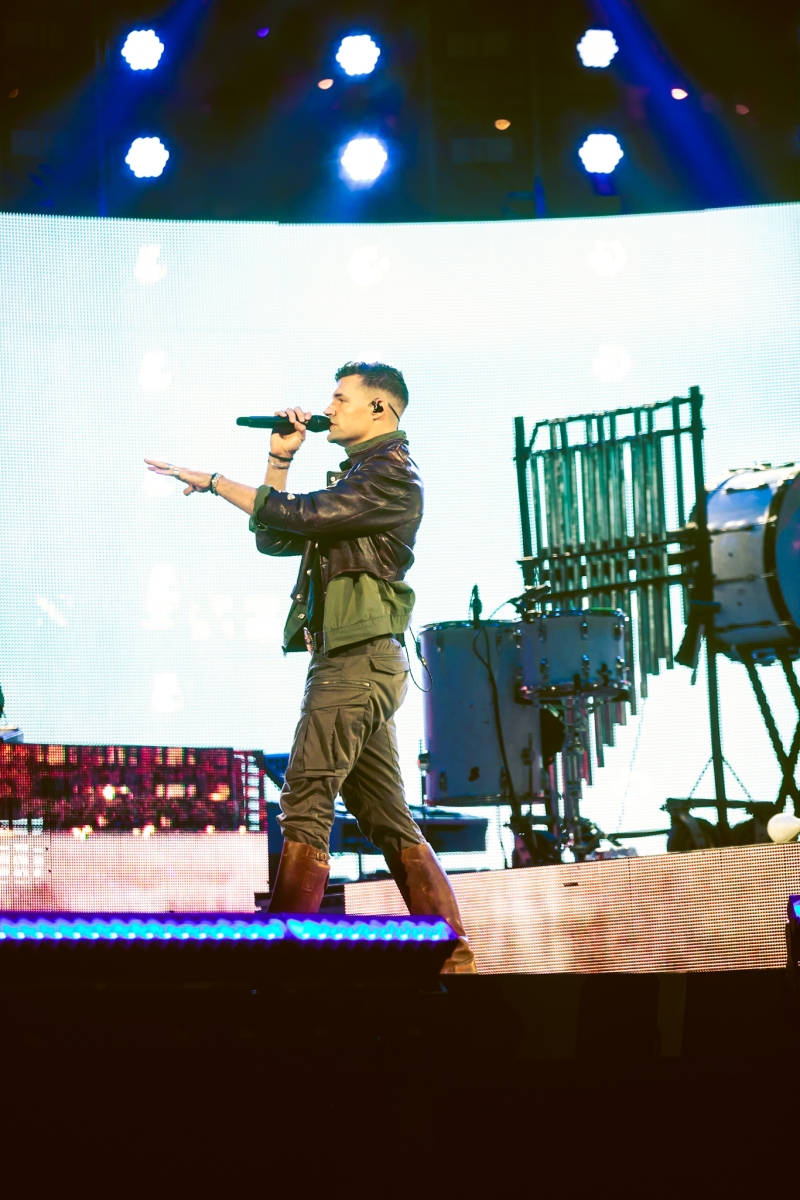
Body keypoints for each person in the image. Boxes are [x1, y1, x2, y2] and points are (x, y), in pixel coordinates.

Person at [145, 361, 476, 973]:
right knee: (387, 817)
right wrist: (280, 460)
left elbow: (297, 516)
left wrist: (216, 481)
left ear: (379, 408)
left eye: (340, 398)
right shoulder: (358, 476)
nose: (329, 408)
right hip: (355, 659)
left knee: (306, 796)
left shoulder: (390, 474)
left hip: (356, 662)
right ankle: (454, 959)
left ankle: (281, 968)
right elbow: (275, 535)